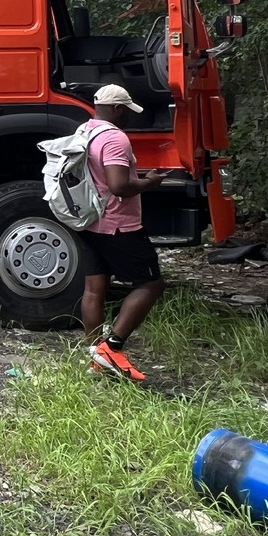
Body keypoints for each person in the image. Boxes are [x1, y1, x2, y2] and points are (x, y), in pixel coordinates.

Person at [81, 84, 167, 382]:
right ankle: (112, 347)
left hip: (91, 221)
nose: (129, 116)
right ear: (117, 109)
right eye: (127, 110)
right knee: (151, 284)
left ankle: (95, 354)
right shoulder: (115, 138)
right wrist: (149, 182)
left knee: (94, 288)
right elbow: (118, 186)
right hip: (118, 224)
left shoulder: (86, 130)